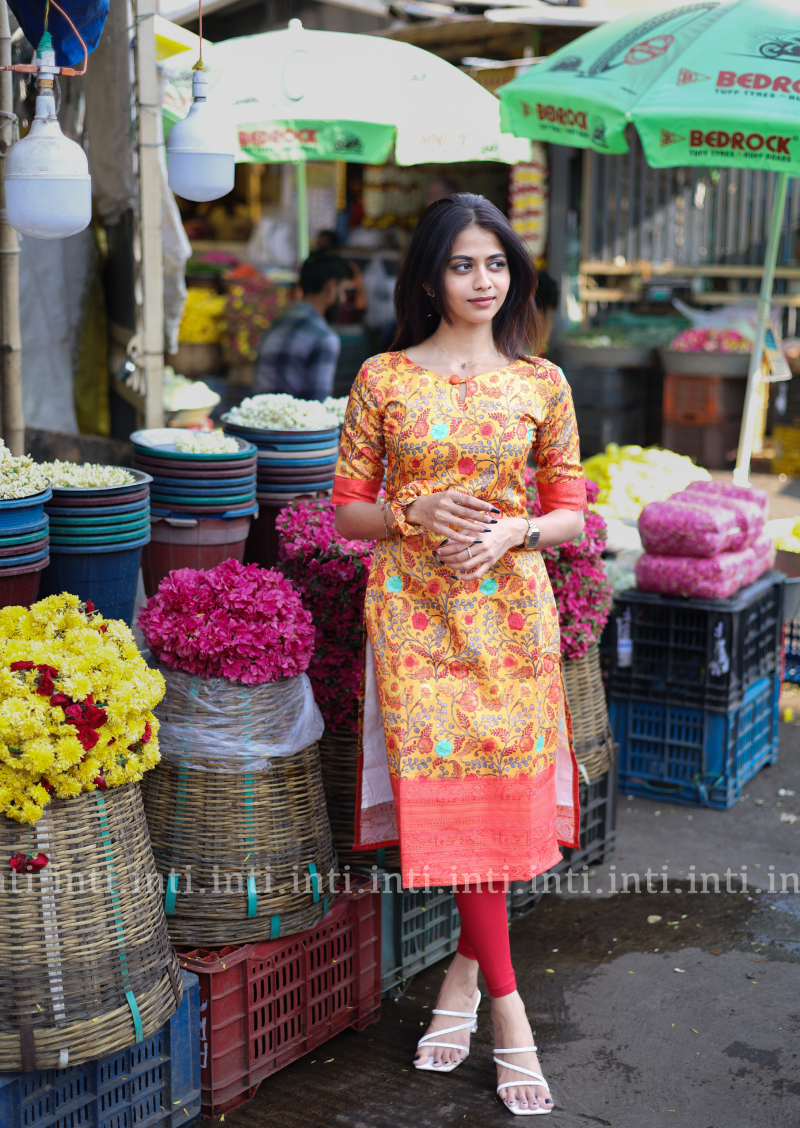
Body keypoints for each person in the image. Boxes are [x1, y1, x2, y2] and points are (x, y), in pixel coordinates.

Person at [332, 194, 586, 1116]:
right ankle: (511, 1018)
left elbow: (571, 509)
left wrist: (518, 529)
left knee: (505, 809)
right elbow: (348, 508)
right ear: (430, 276)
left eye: (497, 265)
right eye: (463, 265)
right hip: (415, 620)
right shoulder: (384, 378)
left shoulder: (541, 382)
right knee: (459, 813)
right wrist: (414, 512)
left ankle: (461, 985)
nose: (484, 282)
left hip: (512, 617)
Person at [253, 254, 351, 400]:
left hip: (257, 419)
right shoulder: (324, 337)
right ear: (331, 286)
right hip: (294, 420)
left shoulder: (276, 324)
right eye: (343, 291)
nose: (344, 299)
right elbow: (318, 404)